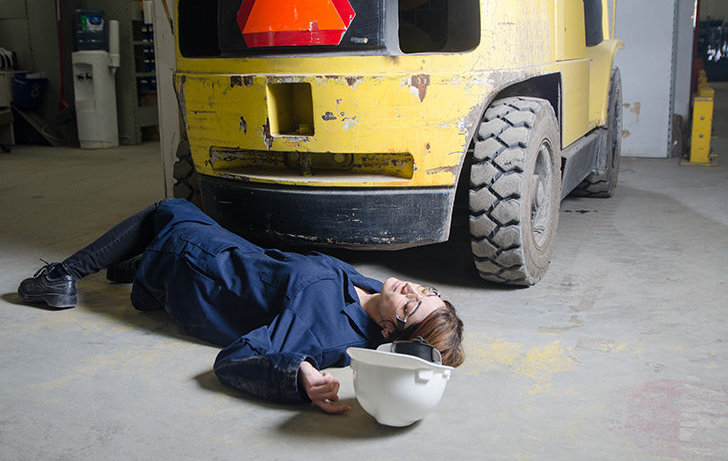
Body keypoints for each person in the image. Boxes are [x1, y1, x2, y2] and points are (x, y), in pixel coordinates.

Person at [17, 198, 464, 413]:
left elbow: (235, 359)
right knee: (176, 220)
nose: (411, 290)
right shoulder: (369, 294)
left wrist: (298, 377)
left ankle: (62, 277)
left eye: (411, 306)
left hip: (199, 265)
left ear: (387, 334)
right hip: (235, 255)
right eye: (426, 292)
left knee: (167, 212)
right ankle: (135, 268)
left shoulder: (321, 329)